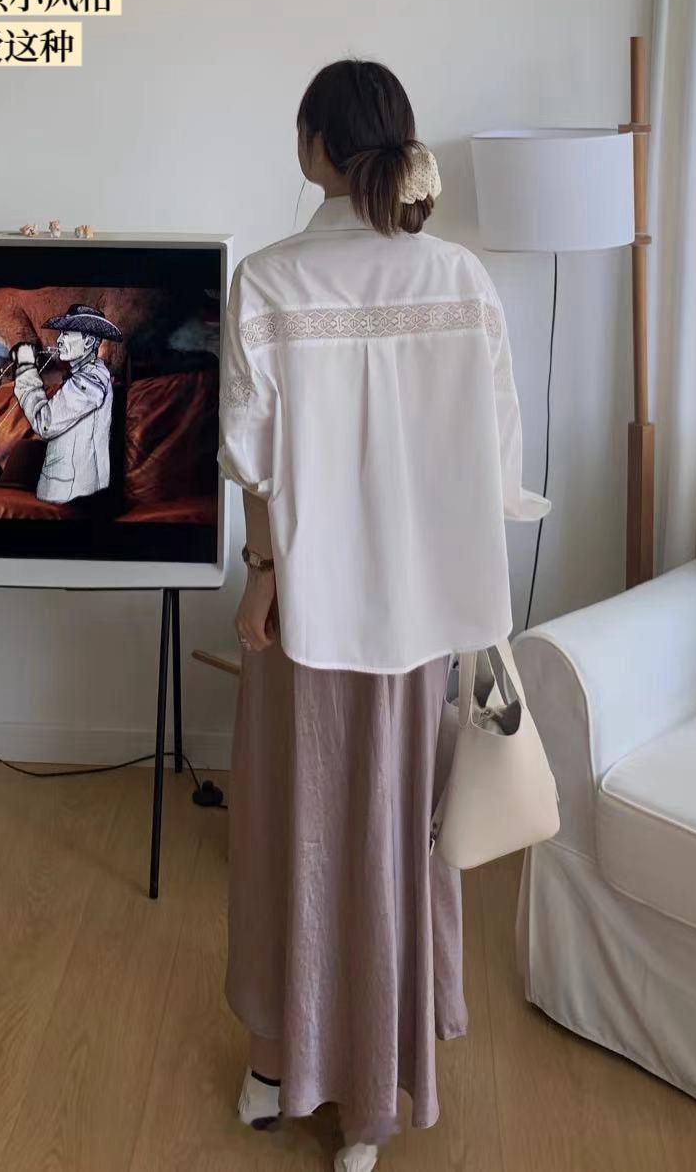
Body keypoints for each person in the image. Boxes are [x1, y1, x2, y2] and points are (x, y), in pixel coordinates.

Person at [218, 58, 544, 1171]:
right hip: (420, 617)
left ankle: (280, 1067)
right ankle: (374, 1100)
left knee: (291, 834)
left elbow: (253, 462)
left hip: (307, 610)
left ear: (317, 146)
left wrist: (261, 575)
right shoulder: (459, 277)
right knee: (398, 835)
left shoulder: (269, 280)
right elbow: (498, 459)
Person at [11, 303, 121, 503]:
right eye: (61, 333)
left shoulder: (91, 381)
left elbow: (45, 423)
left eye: (67, 334)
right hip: (64, 493)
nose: (59, 340)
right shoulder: (85, 376)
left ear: (89, 342)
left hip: (72, 497)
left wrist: (25, 369)